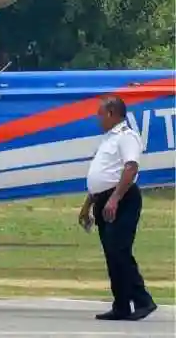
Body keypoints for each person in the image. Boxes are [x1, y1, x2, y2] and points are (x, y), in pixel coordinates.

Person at [79, 95, 156, 322]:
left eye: (100, 114)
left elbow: (130, 168)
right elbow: (101, 176)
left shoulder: (126, 136)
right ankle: (121, 305)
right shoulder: (107, 139)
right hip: (103, 199)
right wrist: (87, 206)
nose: (98, 118)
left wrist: (115, 198)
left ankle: (143, 301)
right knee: (111, 254)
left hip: (122, 199)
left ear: (112, 113)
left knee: (119, 251)